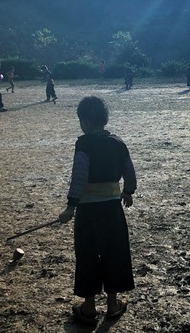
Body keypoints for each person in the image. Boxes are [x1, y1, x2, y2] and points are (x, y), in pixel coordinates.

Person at [58, 96, 137, 325]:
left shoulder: (83, 144)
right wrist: (128, 191)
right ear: (105, 119)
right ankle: (113, 305)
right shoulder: (118, 142)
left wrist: (70, 206)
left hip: (88, 212)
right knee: (115, 253)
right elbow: (129, 172)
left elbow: (80, 177)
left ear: (83, 121)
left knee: (87, 255)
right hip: (113, 209)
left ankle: (89, 308)